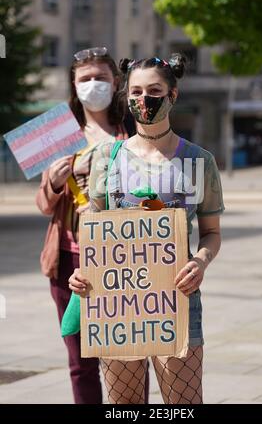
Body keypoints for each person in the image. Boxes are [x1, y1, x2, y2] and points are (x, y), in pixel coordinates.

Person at [69, 54, 225, 404]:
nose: (144, 99)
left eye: (154, 90)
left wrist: (200, 261)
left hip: (176, 301)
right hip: (115, 305)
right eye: (136, 91)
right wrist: (82, 272)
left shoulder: (199, 161)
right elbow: (94, 229)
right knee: (125, 407)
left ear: (173, 95)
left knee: (183, 406)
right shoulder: (106, 158)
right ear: (126, 96)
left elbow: (212, 233)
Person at [36, 47, 136, 404]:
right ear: (74, 85)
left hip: (124, 258)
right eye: (85, 79)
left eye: (101, 78)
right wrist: (55, 182)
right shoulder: (62, 133)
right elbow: (43, 205)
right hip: (70, 258)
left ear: (116, 82)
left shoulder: (133, 130)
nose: (94, 85)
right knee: (81, 362)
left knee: (126, 356)